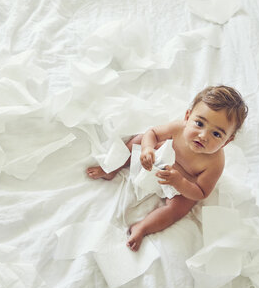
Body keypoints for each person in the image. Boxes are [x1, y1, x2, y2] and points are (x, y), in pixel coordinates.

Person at [86, 85, 248, 251]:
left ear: (227, 141)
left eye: (216, 134)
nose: (203, 136)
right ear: (187, 116)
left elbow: (202, 192)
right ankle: (111, 169)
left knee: (178, 209)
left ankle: (142, 227)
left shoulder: (215, 162)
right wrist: (147, 149)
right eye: (199, 123)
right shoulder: (178, 128)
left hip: (183, 182)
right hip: (159, 159)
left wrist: (180, 183)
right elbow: (153, 134)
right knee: (139, 139)